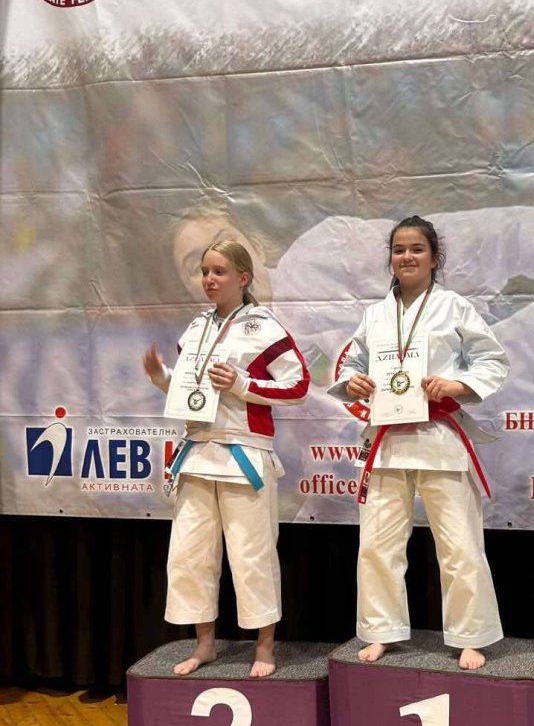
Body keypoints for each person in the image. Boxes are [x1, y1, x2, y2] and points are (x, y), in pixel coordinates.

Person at [330, 215, 509, 670]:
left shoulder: (454, 307)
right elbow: (351, 364)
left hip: (438, 436)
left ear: (434, 257)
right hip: (387, 440)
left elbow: (492, 360)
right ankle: (380, 630)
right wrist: (353, 382)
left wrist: (455, 385)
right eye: (399, 249)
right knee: (377, 545)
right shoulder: (375, 314)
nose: (406, 257)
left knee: (459, 544)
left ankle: (471, 635)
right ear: (390, 258)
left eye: (416, 249)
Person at [143, 240, 310, 677]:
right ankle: (205, 644)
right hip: (197, 451)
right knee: (191, 554)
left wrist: (242, 384)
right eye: (205, 272)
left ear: (243, 277)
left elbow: (298, 386)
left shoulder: (264, 326)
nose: (209, 279)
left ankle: (265, 648)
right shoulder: (196, 328)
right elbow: (191, 390)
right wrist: (162, 377)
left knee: (252, 555)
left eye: (219, 272)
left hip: (244, 454)